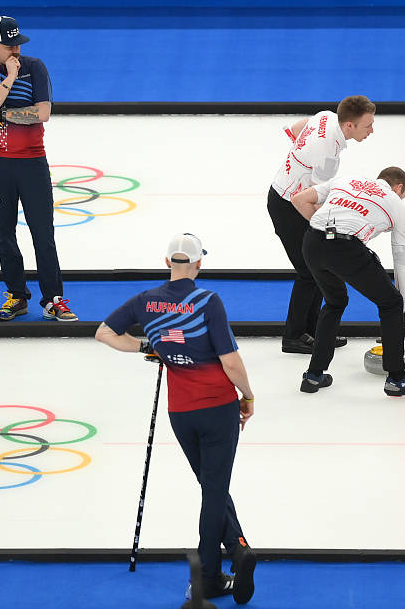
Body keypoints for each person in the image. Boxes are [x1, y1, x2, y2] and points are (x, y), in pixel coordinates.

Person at [95, 233, 257, 604]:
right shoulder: (207, 301)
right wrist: (247, 396)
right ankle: (209, 576)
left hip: (181, 411)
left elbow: (104, 333)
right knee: (214, 490)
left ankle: (239, 546)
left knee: (209, 484)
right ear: (199, 264)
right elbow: (231, 361)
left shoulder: (145, 301)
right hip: (217, 407)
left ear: (167, 262)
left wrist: (146, 345)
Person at [0, 15, 76, 321]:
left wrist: (3, 114)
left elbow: (43, 113)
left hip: (32, 162)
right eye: (7, 44)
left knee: (43, 233)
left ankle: (53, 298)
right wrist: (9, 80)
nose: (15, 49)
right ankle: (17, 296)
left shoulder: (36, 66)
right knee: (4, 233)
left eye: (17, 43)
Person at [290, 167, 405, 398]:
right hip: (345, 248)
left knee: (335, 302)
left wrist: (325, 233)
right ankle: (397, 379)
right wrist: (404, 307)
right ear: (398, 188)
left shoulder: (349, 179)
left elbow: (298, 199)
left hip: (312, 241)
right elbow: (401, 262)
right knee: (390, 303)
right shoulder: (396, 205)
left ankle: (314, 374)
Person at [267, 95, 376, 354]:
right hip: (288, 206)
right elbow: (309, 198)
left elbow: (295, 130)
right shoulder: (328, 156)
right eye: (367, 126)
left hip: (282, 191)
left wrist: (298, 161)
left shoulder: (326, 116)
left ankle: (314, 332)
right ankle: (293, 337)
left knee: (317, 267)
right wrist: (329, 228)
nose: (372, 131)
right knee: (309, 271)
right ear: (349, 125)